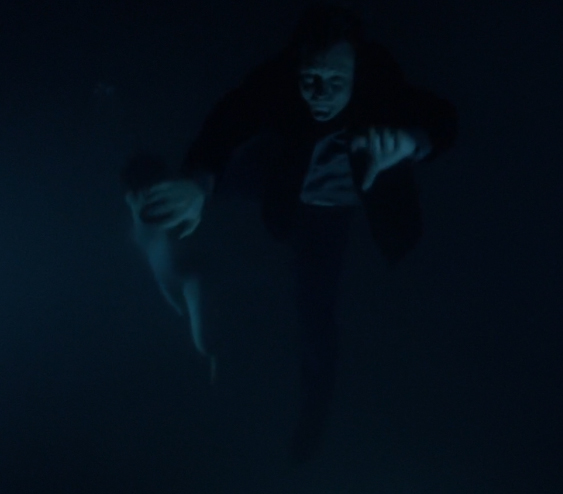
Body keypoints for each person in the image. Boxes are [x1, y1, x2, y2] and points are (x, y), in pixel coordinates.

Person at [124, 4, 458, 463]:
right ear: (297, 68)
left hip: (327, 209)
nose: (319, 94)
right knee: (204, 183)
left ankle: (313, 418)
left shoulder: (382, 89)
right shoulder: (279, 80)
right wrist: (199, 179)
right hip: (281, 177)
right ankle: (169, 204)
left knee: (315, 312)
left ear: (358, 74)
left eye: (335, 81)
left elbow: (442, 118)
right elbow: (230, 117)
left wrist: (409, 142)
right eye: (309, 80)